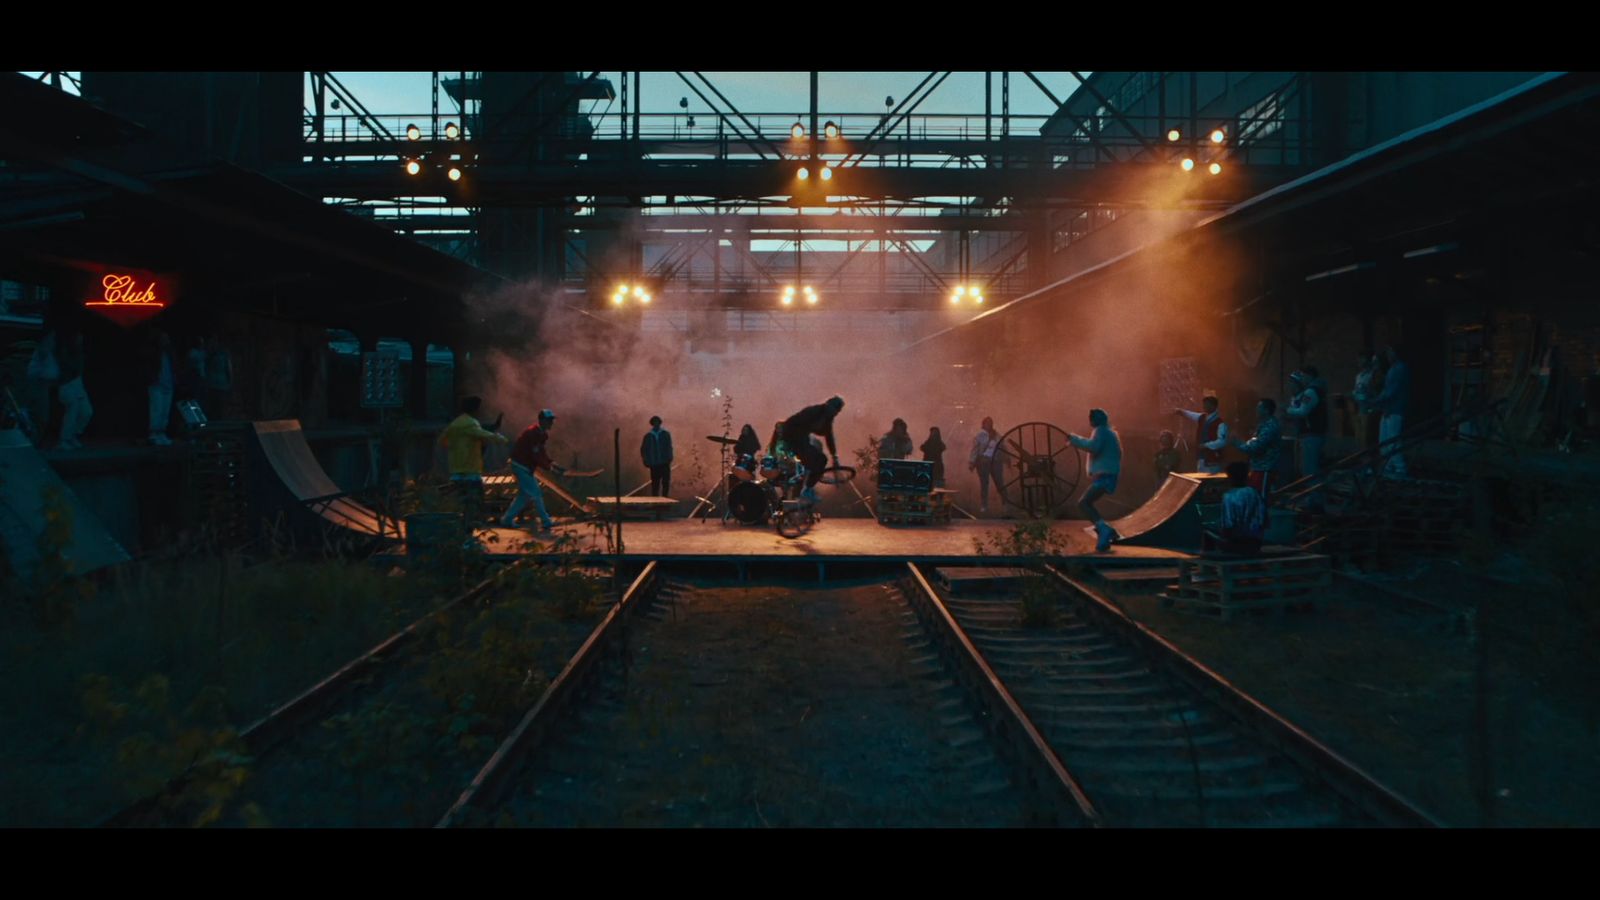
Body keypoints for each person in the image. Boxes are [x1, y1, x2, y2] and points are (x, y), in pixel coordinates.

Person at [440, 396, 508, 520]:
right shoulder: (471, 423)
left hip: (456, 469)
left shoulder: (455, 423)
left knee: (459, 504)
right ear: (475, 409)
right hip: (471, 470)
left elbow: (443, 441)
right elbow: (484, 434)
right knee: (475, 503)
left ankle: (461, 529)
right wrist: (501, 439)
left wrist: (457, 448)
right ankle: (470, 528)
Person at [501, 409, 567, 531]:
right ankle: (546, 521)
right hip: (520, 466)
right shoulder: (533, 433)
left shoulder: (542, 434)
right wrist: (550, 468)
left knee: (524, 496)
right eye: (549, 420)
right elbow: (535, 455)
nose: (551, 423)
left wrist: (552, 463)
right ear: (541, 421)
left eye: (552, 420)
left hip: (524, 466)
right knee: (536, 493)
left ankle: (506, 520)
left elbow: (541, 453)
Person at [1069, 408, 1124, 553]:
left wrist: (1074, 439)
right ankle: (1104, 532)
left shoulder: (1101, 431)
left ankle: (1103, 529)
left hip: (1104, 476)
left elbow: (1093, 447)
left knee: (1084, 503)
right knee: (1087, 503)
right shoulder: (1110, 433)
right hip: (1108, 475)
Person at [779, 396, 844, 503]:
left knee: (821, 459)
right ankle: (806, 490)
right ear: (828, 405)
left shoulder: (828, 418)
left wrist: (834, 456)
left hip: (801, 439)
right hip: (793, 437)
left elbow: (829, 436)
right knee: (815, 460)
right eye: (835, 410)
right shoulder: (813, 411)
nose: (835, 414)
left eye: (837, 412)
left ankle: (807, 488)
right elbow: (794, 424)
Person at [1285, 367, 1329, 511]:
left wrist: (1287, 411)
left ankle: (1315, 501)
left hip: (1312, 435)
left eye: (1304, 376)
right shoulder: (1309, 392)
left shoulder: (1311, 392)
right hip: (1308, 435)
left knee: (1311, 470)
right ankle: (1312, 498)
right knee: (1308, 469)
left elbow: (1303, 411)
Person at [1203, 461, 1266, 555]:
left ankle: (1210, 565)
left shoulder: (1229, 496)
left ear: (1230, 477)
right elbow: (1264, 521)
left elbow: (1228, 526)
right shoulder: (1255, 493)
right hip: (1256, 543)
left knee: (1206, 531)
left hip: (1235, 545)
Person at [1367, 345, 1410, 478]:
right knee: (1384, 441)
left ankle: (1399, 467)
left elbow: (1391, 392)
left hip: (1395, 410)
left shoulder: (1400, 368)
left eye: (1391, 352)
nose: (1388, 355)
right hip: (1388, 410)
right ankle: (1390, 465)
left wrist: (1374, 401)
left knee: (1392, 440)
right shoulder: (1393, 369)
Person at [1232, 398, 1283, 502]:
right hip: (1258, 467)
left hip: (1265, 468)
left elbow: (1256, 447)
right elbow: (1253, 442)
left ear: (1266, 410)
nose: (1256, 410)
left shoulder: (1270, 426)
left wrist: (1237, 443)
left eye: (1259, 407)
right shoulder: (1263, 425)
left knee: (1261, 500)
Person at [55, 331, 91, 450]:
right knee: (73, 408)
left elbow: (79, 371)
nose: (80, 342)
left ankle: (73, 435)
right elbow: (68, 370)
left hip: (78, 384)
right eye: (78, 339)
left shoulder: (80, 354)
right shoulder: (64, 352)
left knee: (87, 412)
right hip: (66, 385)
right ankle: (64, 440)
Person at [1174, 395, 1228, 474]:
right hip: (1202, 457)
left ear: (1213, 406)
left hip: (1213, 459)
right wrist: (1182, 412)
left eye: (1207, 404)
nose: (1204, 406)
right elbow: (1192, 415)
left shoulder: (1220, 423)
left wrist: (1206, 445)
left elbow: (1222, 441)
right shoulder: (1202, 417)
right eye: (1204, 404)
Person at [24, 329, 59, 440]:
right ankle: (34, 440)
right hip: (40, 386)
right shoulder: (42, 351)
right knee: (41, 416)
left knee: (43, 416)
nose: (53, 342)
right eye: (51, 339)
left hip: (45, 386)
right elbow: (39, 372)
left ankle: (37, 440)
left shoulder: (47, 353)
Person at [969, 416, 1006, 513]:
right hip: (983, 462)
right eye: (987, 423)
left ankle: (1005, 504)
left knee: (1000, 483)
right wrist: (972, 462)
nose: (989, 424)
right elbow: (975, 450)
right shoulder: (979, 436)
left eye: (990, 422)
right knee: (984, 484)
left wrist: (1006, 459)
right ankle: (984, 505)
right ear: (983, 424)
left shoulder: (997, 435)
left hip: (996, 461)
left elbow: (1003, 448)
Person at [146, 330, 175, 446]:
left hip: (168, 385)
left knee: (164, 412)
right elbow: (149, 368)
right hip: (156, 385)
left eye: (167, 339)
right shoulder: (153, 353)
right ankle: (153, 435)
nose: (165, 341)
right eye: (163, 339)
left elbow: (174, 367)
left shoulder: (170, 354)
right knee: (156, 410)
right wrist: (152, 379)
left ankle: (161, 434)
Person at [1351, 353, 1380, 449]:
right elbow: (1357, 391)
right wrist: (1354, 394)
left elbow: (1374, 392)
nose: (1359, 361)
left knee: (1368, 440)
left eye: (1361, 358)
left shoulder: (1372, 375)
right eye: (1358, 359)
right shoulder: (1358, 376)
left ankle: (1369, 461)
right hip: (1360, 410)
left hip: (1370, 411)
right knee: (1359, 441)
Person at [641, 415, 674, 497]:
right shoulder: (648, 436)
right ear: (652, 424)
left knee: (665, 482)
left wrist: (669, 458)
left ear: (660, 423)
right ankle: (656, 500)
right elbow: (644, 449)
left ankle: (665, 498)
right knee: (655, 483)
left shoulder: (666, 434)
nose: (656, 424)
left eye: (657, 422)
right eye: (654, 423)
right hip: (654, 463)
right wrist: (646, 460)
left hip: (664, 462)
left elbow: (669, 446)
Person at [205, 334, 234, 419]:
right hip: (218, 385)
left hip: (217, 385)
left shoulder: (215, 354)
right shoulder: (215, 354)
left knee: (216, 409)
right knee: (218, 409)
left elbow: (229, 369)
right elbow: (229, 370)